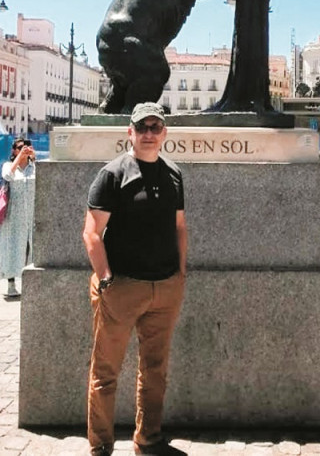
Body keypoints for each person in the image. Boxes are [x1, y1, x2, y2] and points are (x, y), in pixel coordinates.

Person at [82, 102, 187, 456]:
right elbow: (91, 232)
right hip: (122, 287)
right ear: (130, 132)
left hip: (165, 287)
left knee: (155, 372)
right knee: (105, 372)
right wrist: (106, 278)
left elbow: (180, 228)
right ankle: (100, 445)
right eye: (142, 127)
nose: (148, 134)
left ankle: (148, 439)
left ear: (164, 134)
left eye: (155, 127)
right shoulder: (113, 174)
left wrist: (180, 274)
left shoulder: (174, 174)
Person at [0, 137, 36, 297]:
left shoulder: (34, 168)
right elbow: (7, 175)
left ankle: (32, 283)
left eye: (27, 147)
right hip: (13, 215)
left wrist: (35, 157)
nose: (24, 149)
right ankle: (11, 283)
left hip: (31, 215)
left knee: (32, 249)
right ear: (14, 150)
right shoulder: (8, 166)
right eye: (20, 147)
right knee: (12, 247)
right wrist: (19, 158)